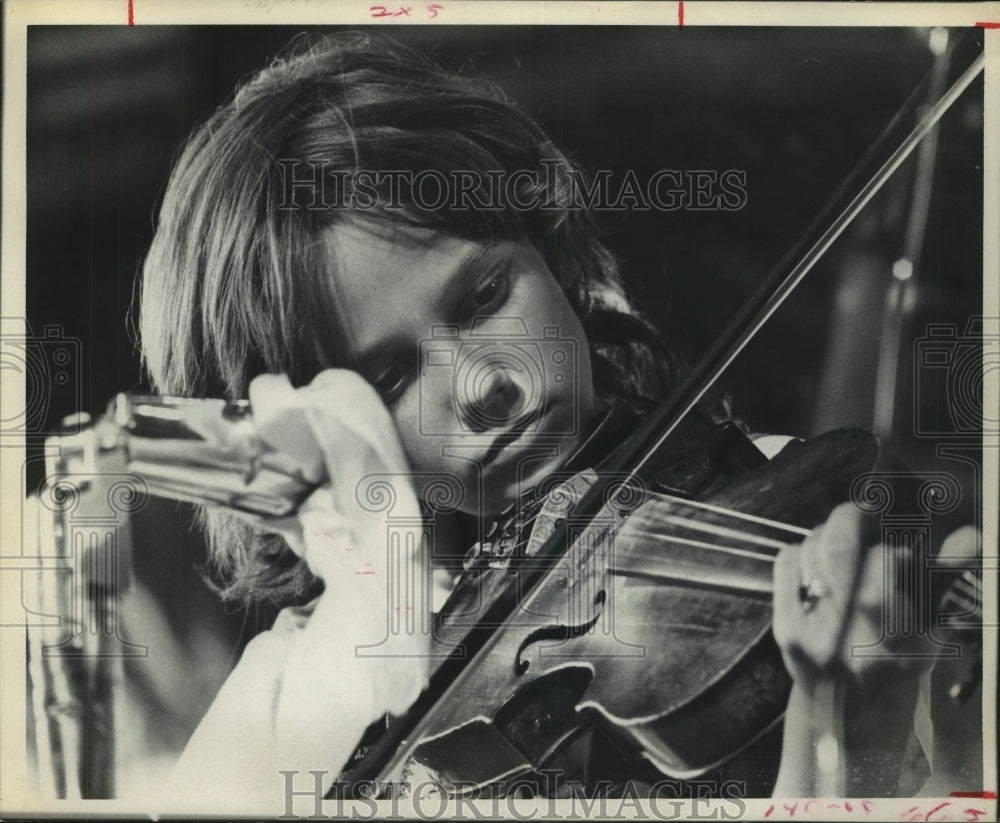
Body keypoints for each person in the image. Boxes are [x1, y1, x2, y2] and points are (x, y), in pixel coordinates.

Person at [138, 31, 975, 809]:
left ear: (549, 248)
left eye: (484, 296)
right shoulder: (299, 696)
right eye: (390, 376)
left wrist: (854, 742)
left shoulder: (791, 513)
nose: (484, 386)